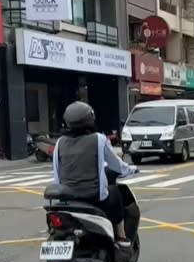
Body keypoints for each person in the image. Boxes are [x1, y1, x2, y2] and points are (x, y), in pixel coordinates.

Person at [52, 101, 138, 249]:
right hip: (94, 198)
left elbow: (57, 174)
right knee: (116, 193)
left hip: (67, 200)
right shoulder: (98, 139)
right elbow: (115, 164)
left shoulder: (60, 143)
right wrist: (130, 169)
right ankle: (122, 236)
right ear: (90, 120)